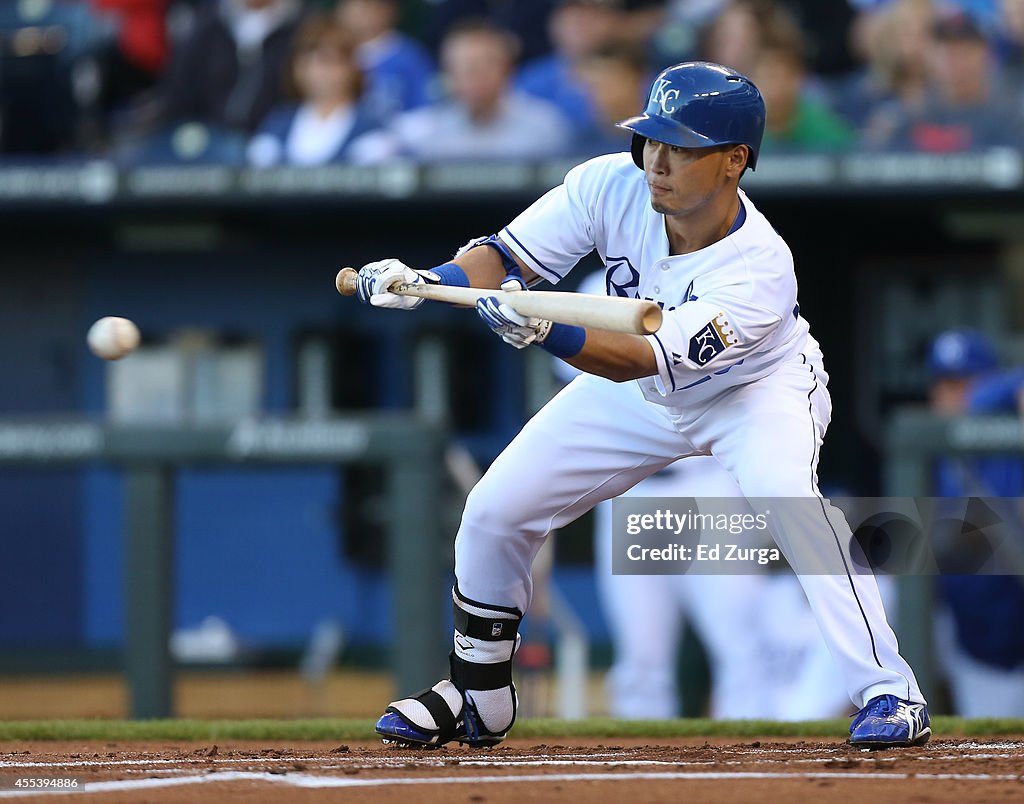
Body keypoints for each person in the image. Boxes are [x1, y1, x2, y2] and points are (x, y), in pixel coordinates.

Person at [354, 60, 930, 748]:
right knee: (493, 509)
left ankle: (891, 693)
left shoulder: (758, 268)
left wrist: (546, 330)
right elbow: (504, 257)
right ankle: (477, 690)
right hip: (646, 394)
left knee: (790, 503)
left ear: (733, 162)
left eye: (681, 145)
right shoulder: (609, 184)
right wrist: (428, 279)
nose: (656, 159)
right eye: (652, 138)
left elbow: (634, 358)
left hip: (753, 391)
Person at [925, 327, 1024, 717]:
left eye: (967, 383)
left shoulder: (1010, 431)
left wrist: (990, 396)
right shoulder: (933, 457)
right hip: (979, 649)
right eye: (947, 385)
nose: (956, 396)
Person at [353, 18, 572, 163]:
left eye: (483, 65)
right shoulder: (429, 131)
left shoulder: (545, 126)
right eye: (462, 67)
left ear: (506, 69)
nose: (473, 75)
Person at [247, 13, 385, 167]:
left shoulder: (370, 125)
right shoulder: (278, 123)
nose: (317, 71)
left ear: (352, 68)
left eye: (328, 61)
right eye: (308, 62)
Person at [333, 0, 435, 119]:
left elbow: (424, 111)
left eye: (364, 6)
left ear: (387, 11)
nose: (353, 12)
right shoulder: (335, 54)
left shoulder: (410, 58)